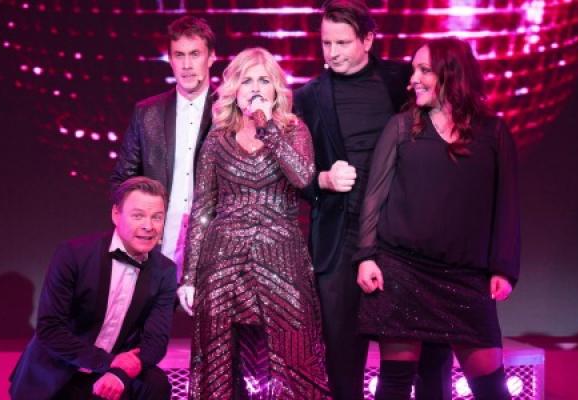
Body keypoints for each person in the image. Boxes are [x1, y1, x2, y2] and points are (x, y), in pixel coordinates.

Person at [294, 1, 453, 398]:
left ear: (367, 39)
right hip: (340, 236)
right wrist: (322, 180)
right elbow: (293, 174)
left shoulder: (402, 80)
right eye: (326, 43)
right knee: (342, 360)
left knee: (424, 353)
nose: (333, 52)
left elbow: (442, 135)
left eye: (343, 42)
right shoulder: (309, 96)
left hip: (401, 232)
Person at [355, 37, 520, 400]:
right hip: (402, 271)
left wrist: (503, 268)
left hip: (466, 279)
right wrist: (366, 256)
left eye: (424, 70)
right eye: (414, 70)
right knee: (395, 384)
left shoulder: (493, 132)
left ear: (451, 74)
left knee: (492, 389)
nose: (412, 79)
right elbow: (374, 196)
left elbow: (507, 204)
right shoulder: (402, 127)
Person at [178, 47, 330, 399]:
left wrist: (268, 129)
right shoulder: (217, 138)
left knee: (296, 356)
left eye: (264, 80)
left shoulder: (293, 130)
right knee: (219, 362)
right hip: (222, 261)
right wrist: (189, 277)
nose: (256, 88)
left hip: (281, 259)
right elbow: (203, 208)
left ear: (276, 89)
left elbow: (303, 177)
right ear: (235, 89)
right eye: (247, 81)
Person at [9, 177, 177, 400]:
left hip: (112, 374)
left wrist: (119, 374)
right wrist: (108, 363)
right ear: (116, 214)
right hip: (61, 371)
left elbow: (155, 341)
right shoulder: (73, 255)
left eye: (157, 217)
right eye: (138, 216)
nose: (149, 226)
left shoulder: (165, 270)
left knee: (156, 384)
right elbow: (50, 329)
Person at [110, 16, 216, 278]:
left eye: (195, 54)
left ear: (211, 57)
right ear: (170, 59)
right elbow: (123, 180)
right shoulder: (148, 113)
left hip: (214, 243)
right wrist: (140, 225)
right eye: (179, 55)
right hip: (158, 242)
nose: (187, 65)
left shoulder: (229, 112)